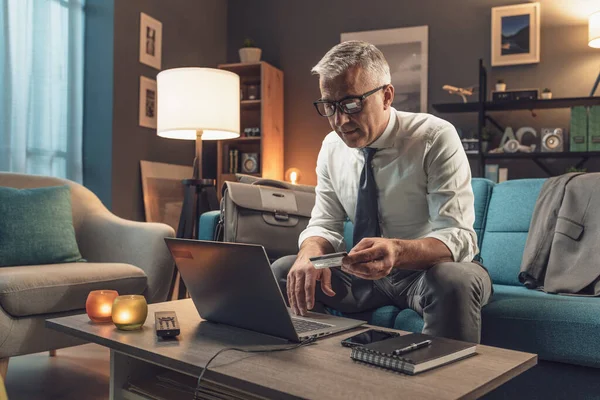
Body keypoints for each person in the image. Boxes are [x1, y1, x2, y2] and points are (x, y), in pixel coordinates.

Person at [271, 41, 492, 344]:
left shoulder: (434, 137)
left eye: (351, 103)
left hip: (426, 274)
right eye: (330, 106)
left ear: (386, 96)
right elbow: (325, 223)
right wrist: (309, 254)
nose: (341, 121)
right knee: (286, 271)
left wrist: (398, 251)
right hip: (362, 278)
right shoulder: (331, 149)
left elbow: (459, 236)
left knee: (455, 279)